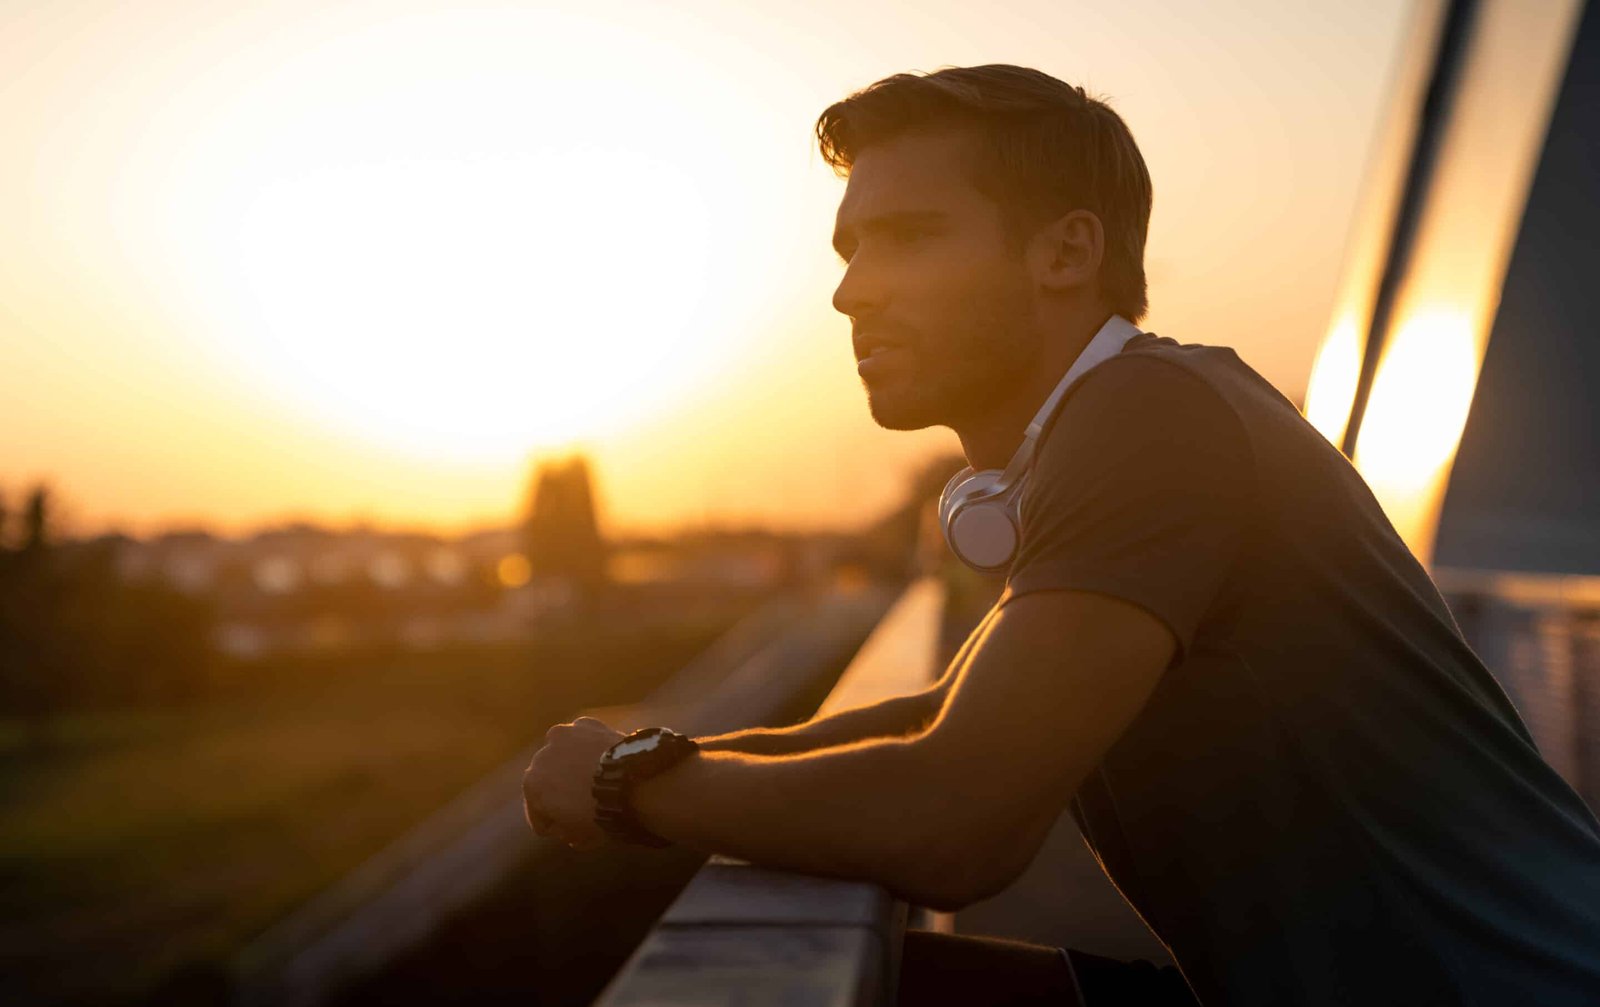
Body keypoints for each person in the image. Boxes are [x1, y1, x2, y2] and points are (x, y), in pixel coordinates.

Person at [522, 64, 1600, 1005]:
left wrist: (629, 789)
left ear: (1065, 253)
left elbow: (957, 821)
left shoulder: (1150, 416)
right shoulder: (1105, 428)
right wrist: (672, 753)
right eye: (848, 250)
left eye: (909, 236)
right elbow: (944, 713)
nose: (852, 290)